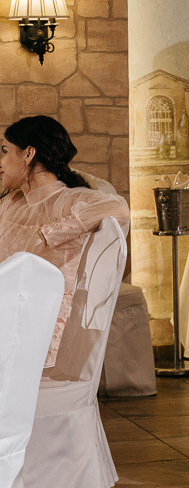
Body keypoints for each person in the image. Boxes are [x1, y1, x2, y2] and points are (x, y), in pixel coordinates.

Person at [0, 115, 130, 369]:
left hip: (35, 324)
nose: (1, 162)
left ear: (28, 154)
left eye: (5, 152)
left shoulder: (68, 199)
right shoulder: (11, 202)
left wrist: (48, 234)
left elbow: (119, 209)